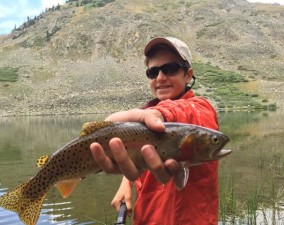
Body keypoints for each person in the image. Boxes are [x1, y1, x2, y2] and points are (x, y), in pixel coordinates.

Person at [90, 37, 219, 225]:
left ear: (188, 75)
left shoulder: (201, 108)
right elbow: (136, 152)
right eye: (153, 72)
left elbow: (181, 115)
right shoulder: (146, 117)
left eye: (170, 69)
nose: (160, 78)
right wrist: (126, 182)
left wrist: (157, 113)